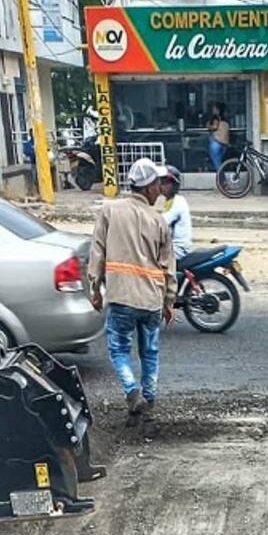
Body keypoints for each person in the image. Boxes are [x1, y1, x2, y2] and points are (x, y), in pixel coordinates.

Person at [87, 157, 177, 419]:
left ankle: (131, 389)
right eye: (158, 184)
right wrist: (169, 303)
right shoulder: (158, 220)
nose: (161, 189)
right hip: (151, 300)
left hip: (122, 297)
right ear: (147, 187)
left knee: (118, 349)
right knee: (150, 351)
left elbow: (97, 252)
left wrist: (95, 288)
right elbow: (168, 266)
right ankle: (148, 398)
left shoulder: (109, 211)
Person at [160, 165, 192, 262]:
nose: (163, 186)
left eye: (166, 183)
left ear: (174, 185)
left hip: (178, 249)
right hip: (171, 246)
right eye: (162, 182)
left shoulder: (178, 202)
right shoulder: (167, 201)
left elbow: (162, 222)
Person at [207, 103, 230, 171]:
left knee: (217, 162)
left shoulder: (216, 118)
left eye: (214, 109)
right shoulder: (226, 119)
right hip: (224, 143)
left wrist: (208, 125)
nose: (212, 110)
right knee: (218, 161)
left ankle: (222, 178)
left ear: (218, 110)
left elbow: (214, 127)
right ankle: (221, 178)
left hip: (216, 142)